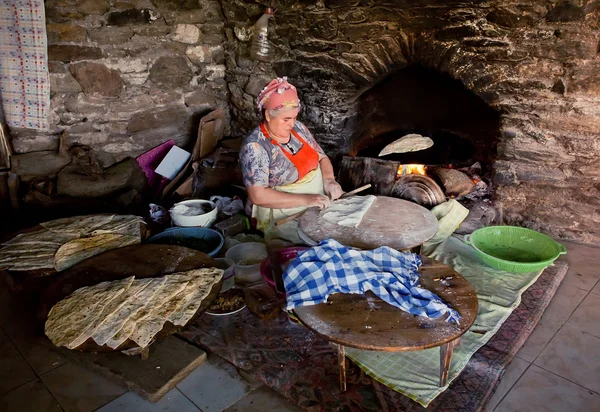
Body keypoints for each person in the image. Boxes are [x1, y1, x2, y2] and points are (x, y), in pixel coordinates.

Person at [240, 77, 343, 243]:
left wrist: (329, 181)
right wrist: (308, 200)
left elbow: (322, 157)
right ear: (268, 114)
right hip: (286, 213)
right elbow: (258, 196)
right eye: (286, 119)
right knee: (319, 243)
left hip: (319, 201)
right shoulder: (255, 146)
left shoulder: (299, 128)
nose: (292, 123)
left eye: (294, 117)